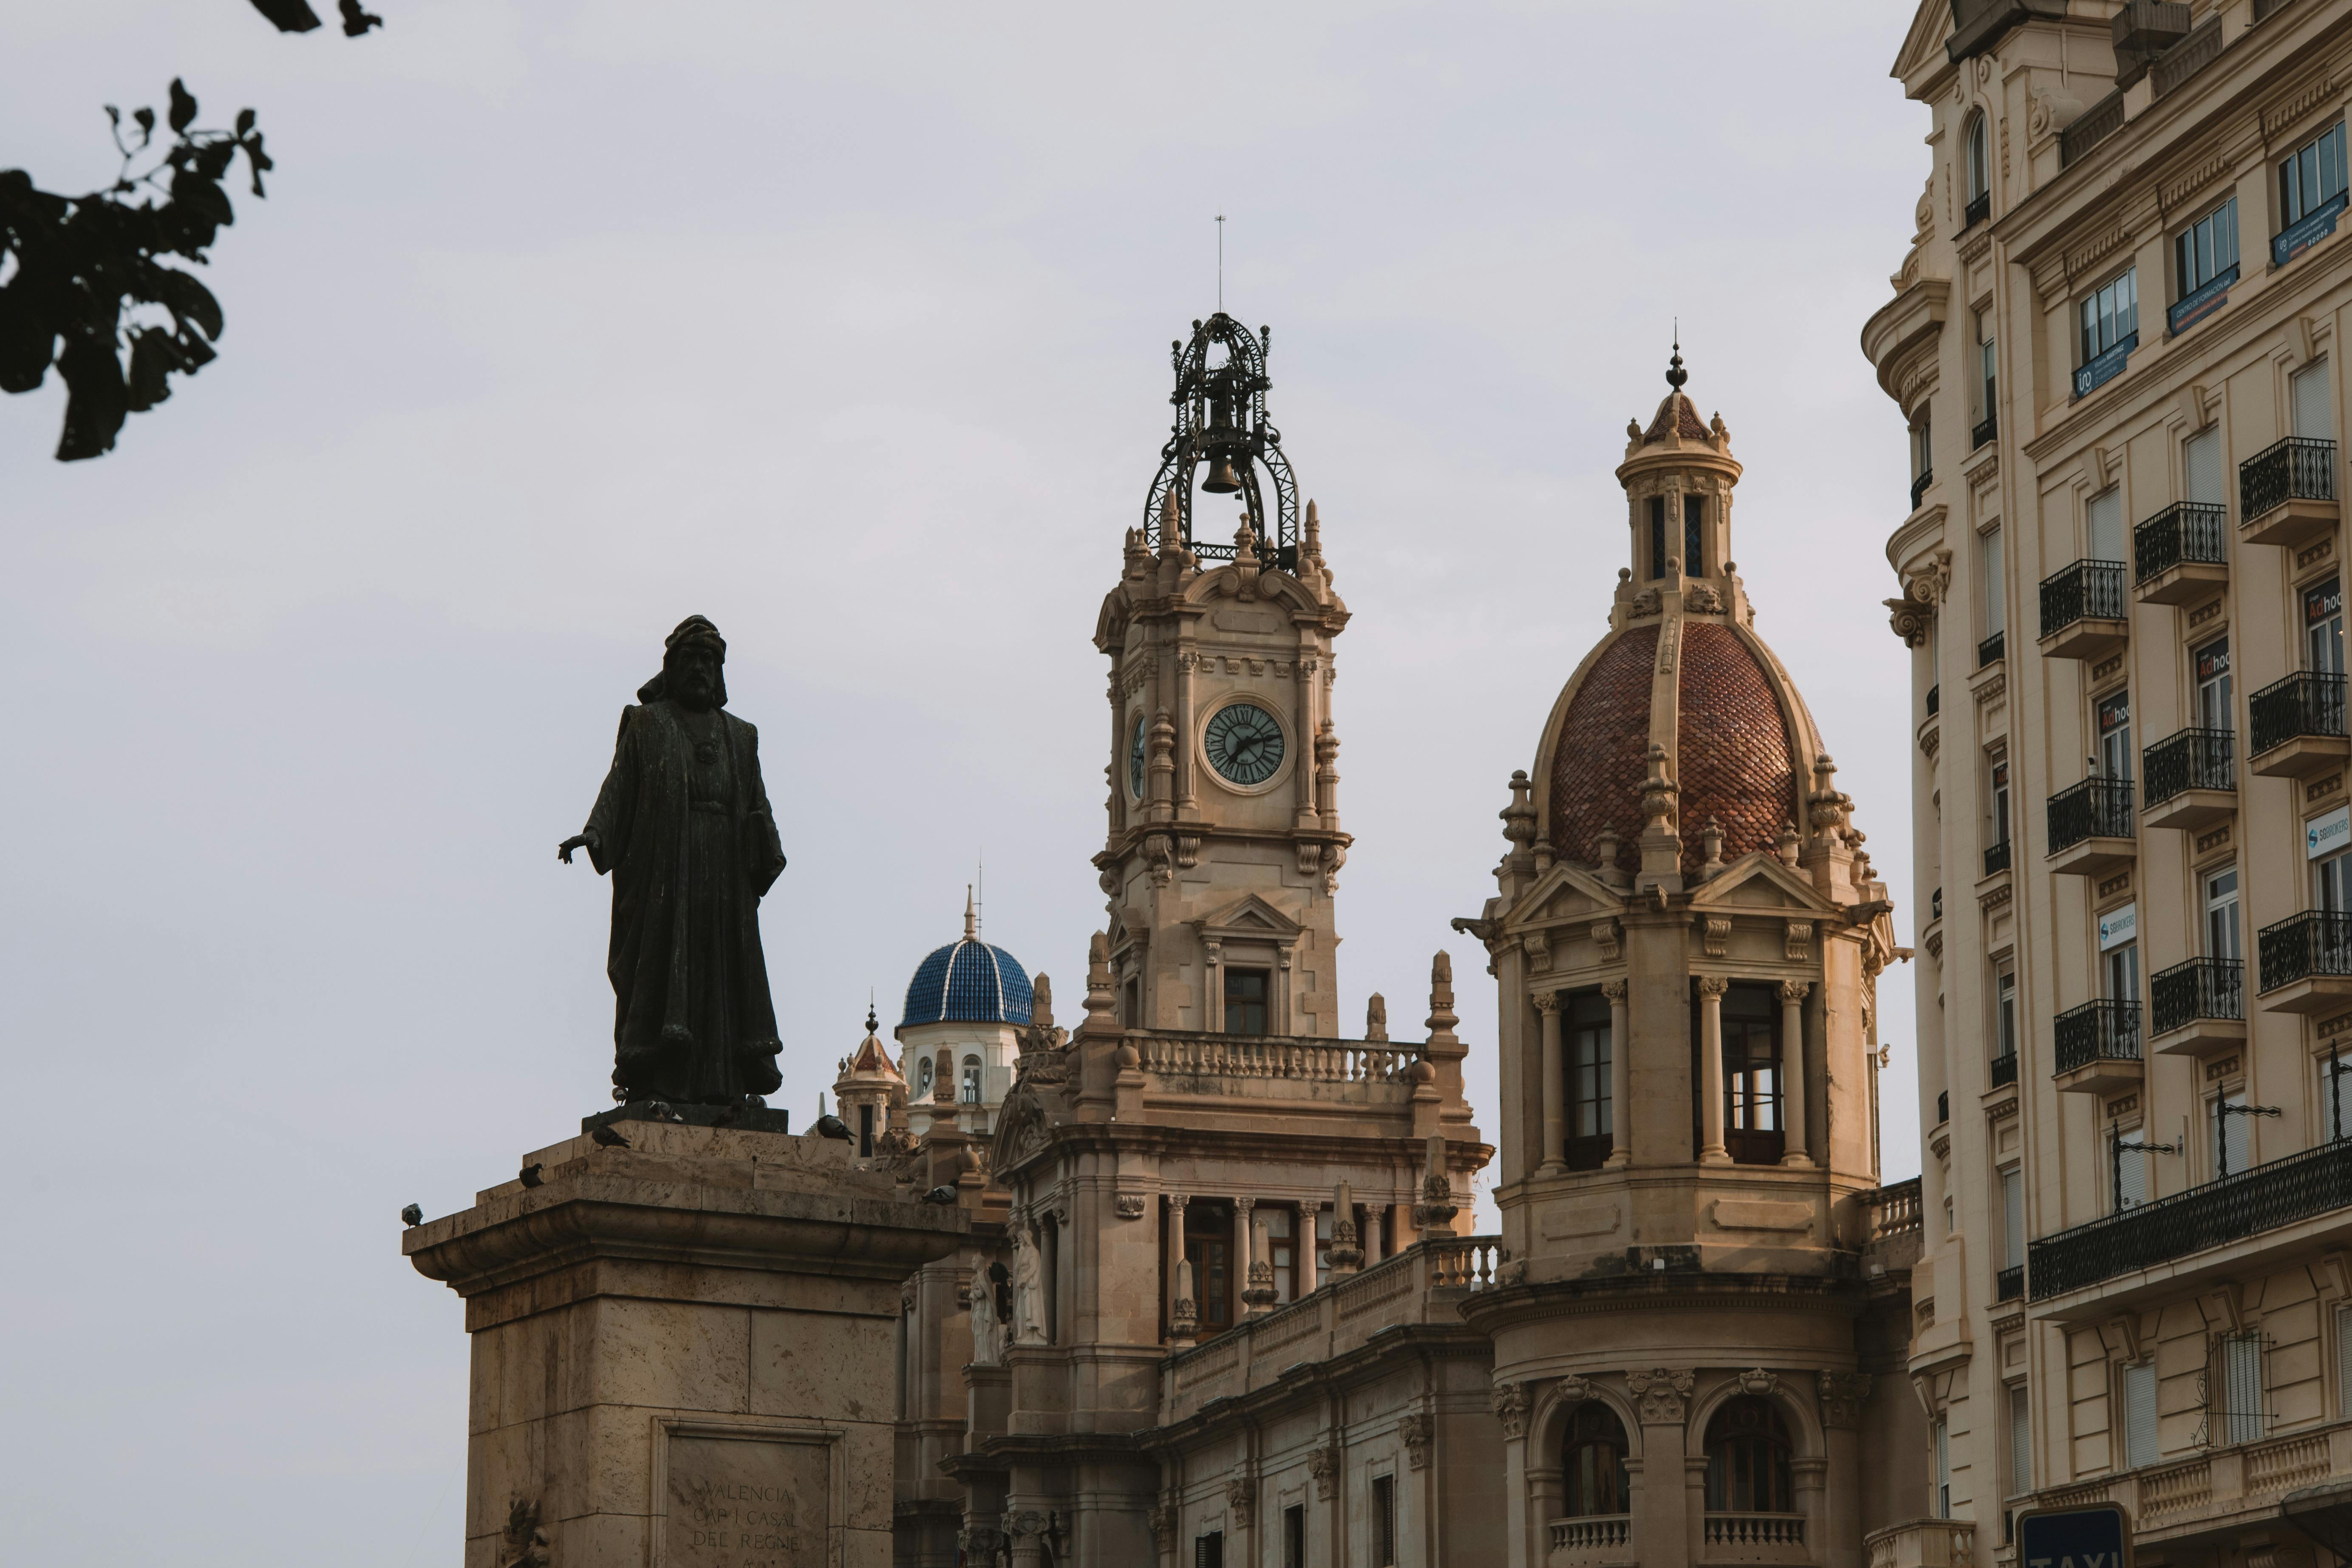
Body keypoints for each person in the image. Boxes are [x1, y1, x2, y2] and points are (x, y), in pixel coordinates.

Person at [559, 616, 787, 1104]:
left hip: (726, 876)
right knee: (668, 971)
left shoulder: (741, 736)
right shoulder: (647, 725)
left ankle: (725, 1085)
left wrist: (766, 844)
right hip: (669, 871)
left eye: (709, 660)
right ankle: (662, 1078)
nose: (700, 668)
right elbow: (620, 787)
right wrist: (595, 834)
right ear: (672, 667)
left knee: (723, 977)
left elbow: (757, 804)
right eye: (691, 659)